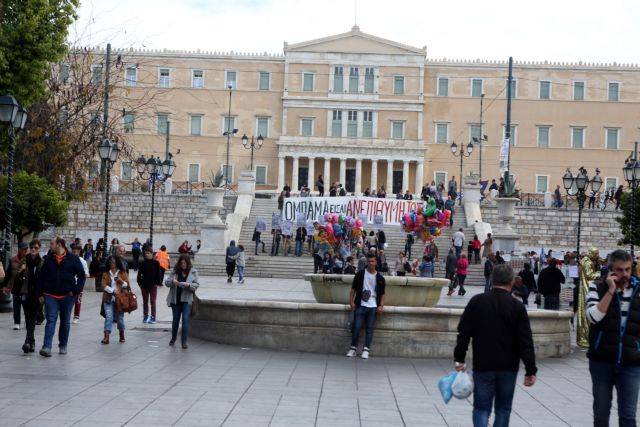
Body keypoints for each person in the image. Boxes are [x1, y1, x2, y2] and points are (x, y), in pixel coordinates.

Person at [454, 264, 537, 427]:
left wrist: (459, 358)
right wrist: (530, 369)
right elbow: (525, 341)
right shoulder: (517, 307)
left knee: (481, 409)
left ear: (492, 280)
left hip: (483, 365)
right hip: (508, 367)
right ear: (512, 282)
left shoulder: (477, 302)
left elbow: (463, 332)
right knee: (503, 409)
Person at [586, 250, 640, 426]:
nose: (624, 274)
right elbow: (594, 317)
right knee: (601, 415)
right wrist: (610, 291)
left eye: (627, 269)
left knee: (628, 416)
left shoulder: (638, 290)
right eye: (620, 270)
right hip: (602, 360)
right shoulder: (597, 287)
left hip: (631, 362)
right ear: (610, 270)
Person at [36, 236, 86, 357]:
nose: (50, 246)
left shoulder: (73, 259)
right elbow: (40, 278)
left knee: (65, 322)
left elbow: (82, 276)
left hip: (67, 296)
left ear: (59, 245)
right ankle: (46, 347)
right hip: (50, 295)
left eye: (52, 243)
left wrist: (75, 290)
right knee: (51, 320)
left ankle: (63, 345)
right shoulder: (48, 259)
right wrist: (40, 294)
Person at [346, 253, 386, 359]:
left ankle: (366, 349)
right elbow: (353, 289)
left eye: (372, 261)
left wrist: (381, 305)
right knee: (357, 327)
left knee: (369, 329)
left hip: (373, 307)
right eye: (369, 261)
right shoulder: (360, 274)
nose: (370, 263)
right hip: (360, 305)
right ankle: (353, 348)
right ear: (367, 262)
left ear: (376, 262)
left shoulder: (380, 278)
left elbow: (382, 294)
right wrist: (351, 302)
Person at [165, 254, 200, 349]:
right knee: (175, 320)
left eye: (184, 263)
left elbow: (196, 285)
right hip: (176, 300)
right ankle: (173, 337)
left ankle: (184, 341)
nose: (183, 265)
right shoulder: (175, 271)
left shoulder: (193, 272)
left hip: (187, 299)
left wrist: (188, 285)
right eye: (181, 263)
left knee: (185, 319)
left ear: (188, 263)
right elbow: (166, 283)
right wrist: (173, 281)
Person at [100, 256, 129, 344]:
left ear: (117, 262)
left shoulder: (123, 273)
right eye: (110, 262)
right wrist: (112, 290)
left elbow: (127, 285)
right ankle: (106, 337)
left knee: (120, 319)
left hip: (120, 300)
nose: (112, 263)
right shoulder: (106, 273)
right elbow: (103, 285)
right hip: (108, 299)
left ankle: (122, 334)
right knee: (109, 317)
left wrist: (121, 281)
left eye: (113, 262)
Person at [3, 242, 29, 330]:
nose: (25, 250)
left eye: (26, 249)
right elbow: (8, 274)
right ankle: (17, 322)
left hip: (26, 286)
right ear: (19, 250)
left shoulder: (29, 259)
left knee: (26, 306)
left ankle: (28, 321)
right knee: (16, 305)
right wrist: (5, 286)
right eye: (24, 249)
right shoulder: (13, 259)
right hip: (16, 285)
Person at [137, 246, 163, 324]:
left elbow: (159, 274)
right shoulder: (142, 263)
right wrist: (140, 283)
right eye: (145, 253)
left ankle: (153, 316)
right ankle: (145, 315)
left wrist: (158, 283)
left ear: (152, 254)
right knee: (145, 301)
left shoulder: (156, 263)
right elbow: (139, 274)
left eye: (148, 253)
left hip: (153, 285)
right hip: (144, 285)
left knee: (152, 301)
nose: (147, 255)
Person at [70, 244, 89, 324]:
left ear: (79, 252)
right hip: (70, 283)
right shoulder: (68, 260)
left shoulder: (83, 261)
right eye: (73, 251)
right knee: (69, 300)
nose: (74, 253)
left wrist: (82, 275)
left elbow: (87, 274)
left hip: (79, 284)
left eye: (76, 252)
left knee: (78, 301)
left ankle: (76, 316)